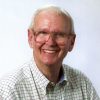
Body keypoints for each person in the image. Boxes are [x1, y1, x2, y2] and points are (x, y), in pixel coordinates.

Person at [0, 5, 99, 100]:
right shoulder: (8, 90)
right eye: (43, 33)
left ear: (72, 42)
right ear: (30, 38)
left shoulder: (83, 84)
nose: (51, 42)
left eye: (60, 34)